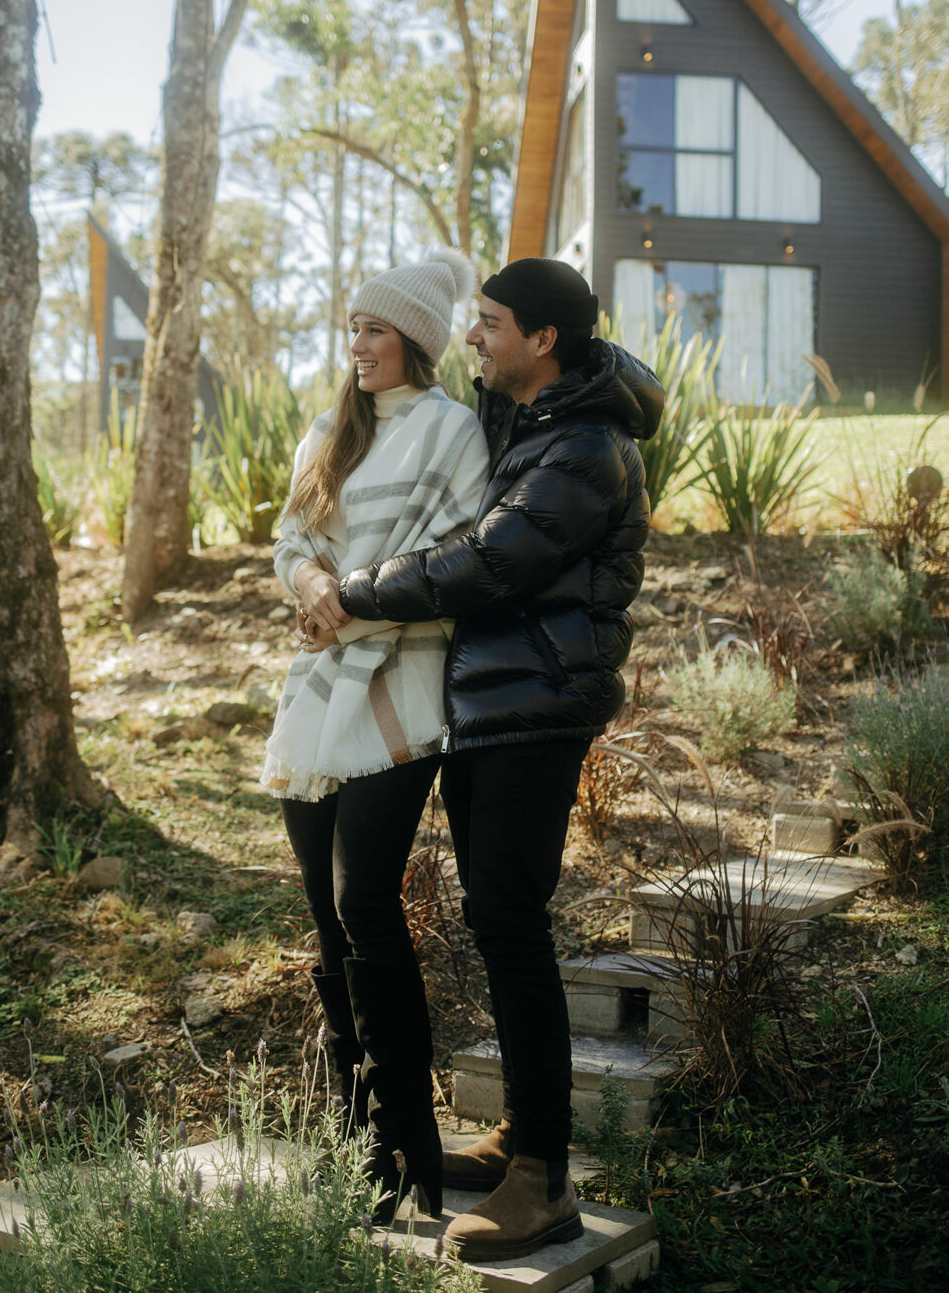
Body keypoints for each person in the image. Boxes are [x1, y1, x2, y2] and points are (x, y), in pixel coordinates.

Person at [328, 257, 664, 1262]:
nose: (472, 337)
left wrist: (357, 591)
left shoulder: (585, 445)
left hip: (536, 708)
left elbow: (491, 558)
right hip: (494, 703)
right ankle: (526, 1132)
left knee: (511, 926)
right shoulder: (531, 418)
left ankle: (543, 1183)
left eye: (488, 323)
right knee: (497, 919)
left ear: (543, 339)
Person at [263, 247, 489, 1221]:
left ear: (416, 342)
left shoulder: (451, 433)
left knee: (367, 912)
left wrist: (345, 599)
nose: (358, 344)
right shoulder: (330, 427)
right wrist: (311, 585)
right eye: (353, 326)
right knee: (326, 929)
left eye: (376, 328)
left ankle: (412, 1136)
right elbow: (290, 541)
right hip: (317, 696)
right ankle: (363, 1148)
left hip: (401, 694)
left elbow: (452, 557)